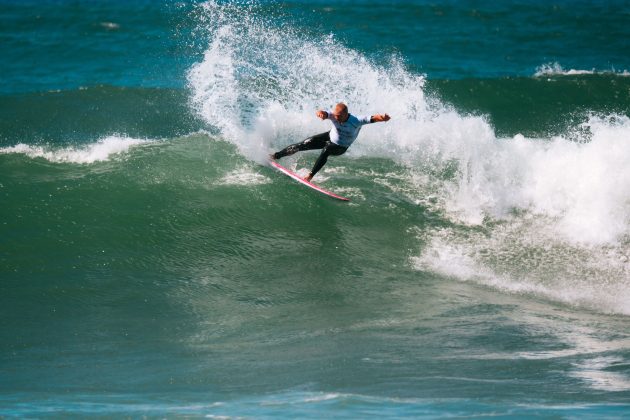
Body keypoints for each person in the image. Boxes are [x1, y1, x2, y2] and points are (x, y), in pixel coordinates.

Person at [270, 103, 391, 182]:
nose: (336, 118)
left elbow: (372, 118)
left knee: (327, 149)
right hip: (329, 136)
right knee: (303, 144)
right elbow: (324, 112)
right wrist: (321, 113)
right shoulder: (334, 115)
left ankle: (309, 176)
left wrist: (383, 118)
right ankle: (276, 156)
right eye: (335, 116)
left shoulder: (356, 121)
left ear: (345, 114)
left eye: (339, 116)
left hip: (340, 147)